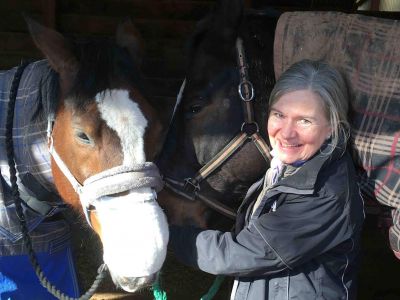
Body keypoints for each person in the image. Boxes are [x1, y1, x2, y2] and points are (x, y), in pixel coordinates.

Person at [169, 59, 365, 300]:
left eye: (305, 120)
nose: (286, 132)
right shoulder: (288, 168)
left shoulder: (325, 193)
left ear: (332, 128)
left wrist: (166, 235)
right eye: (279, 114)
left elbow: (240, 254)